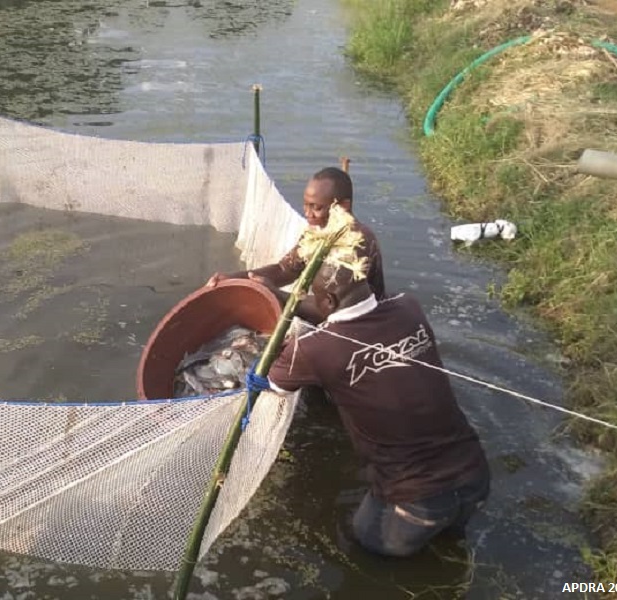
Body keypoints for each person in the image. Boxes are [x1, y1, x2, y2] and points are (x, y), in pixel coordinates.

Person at [248, 260, 490, 558]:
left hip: (415, 498)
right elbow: (345, 312)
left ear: (328, 301)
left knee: (364, 545)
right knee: (449, 546)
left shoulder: (311, 349)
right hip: (475, 475)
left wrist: (283, 346)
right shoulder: (408, 307)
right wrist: (279, 295)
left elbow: (273, 384)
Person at [206, 167, 385, 324]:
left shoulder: (356, 244)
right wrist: (235, 279)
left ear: (344, 206)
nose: (308, 214)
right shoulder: (318, 233)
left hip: (356, 323)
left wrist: (274, 293)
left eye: (317, 208)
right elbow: (285, 270)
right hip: (327, 311)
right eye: (306, 205)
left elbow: (329, 310)